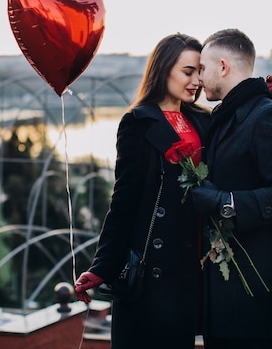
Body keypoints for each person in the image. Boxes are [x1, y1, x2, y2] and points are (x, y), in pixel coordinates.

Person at [74, 33, 211, 349]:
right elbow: (124, 199)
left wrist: (262, 97)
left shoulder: (205, 120)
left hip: (192, 266)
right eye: (187, 71)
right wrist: (102, 267)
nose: (196, 81)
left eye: (199, 73)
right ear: (163, 70)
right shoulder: (138, 122)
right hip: (152, 268)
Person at [191, 28, 272, 349]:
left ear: (223, 66)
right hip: (228, 297)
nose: (199, 78)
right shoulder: (228, 117)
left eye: (202, 68)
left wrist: (225, 202)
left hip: (257, 296)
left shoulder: (267, 117)